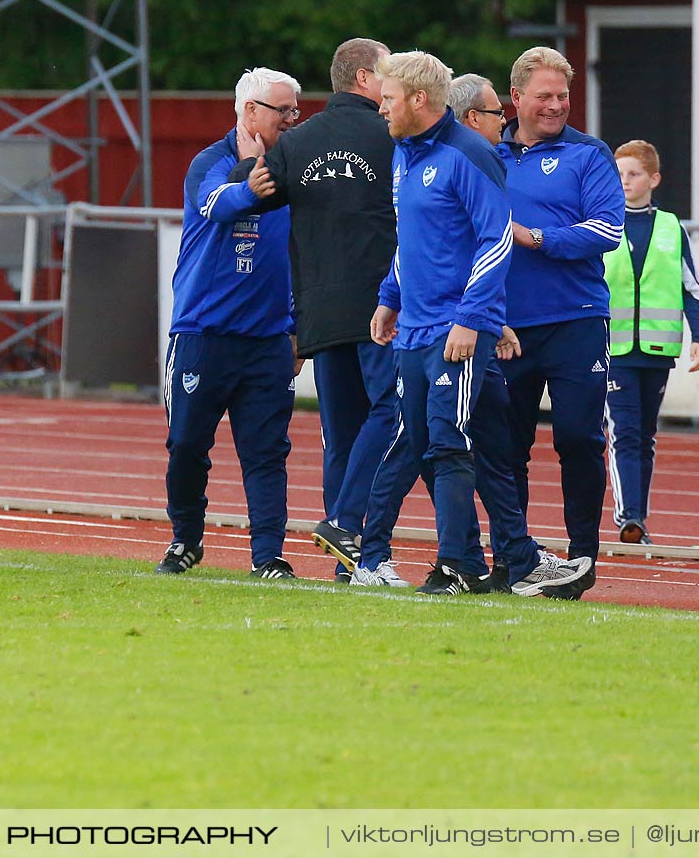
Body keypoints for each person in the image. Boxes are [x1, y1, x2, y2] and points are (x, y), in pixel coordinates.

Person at [372, 51, 588, 597]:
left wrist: (472, 319)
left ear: (418, 100)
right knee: (454, 445)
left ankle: (458, 566)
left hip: (455, 328)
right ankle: (518, 556)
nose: (382, 108)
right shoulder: (401, 153)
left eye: (389, 98)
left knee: (447, 444)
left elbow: (494, 240)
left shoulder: (469, 153)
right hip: (416, 326)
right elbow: (410, 239)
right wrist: (390, 296)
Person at [221, 39, 398, 578]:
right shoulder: (393, 135)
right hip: (381, 307)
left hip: (321, 310)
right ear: (366, 78)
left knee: (341, 432)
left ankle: (350, 563)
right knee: (393, 415)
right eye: (386, 74)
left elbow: (248, 190)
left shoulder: (301, 141)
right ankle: (355, 534)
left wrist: (246, 171)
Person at [158, 67, 301, 579]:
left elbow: (302, 250)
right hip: (202, 333)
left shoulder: (291, 167)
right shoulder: (209, 162)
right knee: (187, 445)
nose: (291, 119)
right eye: (281, 110)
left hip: (266, 339)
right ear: (248, 111)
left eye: (294, 110)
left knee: (266, 453)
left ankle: (268, 557)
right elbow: (215, 204)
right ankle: (185, 540)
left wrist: (297, 326)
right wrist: (248, 178)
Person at [495, 47, 625, 586]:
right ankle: (517, 557)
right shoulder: (487, 154)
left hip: (576, 318)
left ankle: (582, 555)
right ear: (516, 98)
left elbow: (607, 230)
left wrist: (539, 238)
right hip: (506, 325)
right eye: (544, 95)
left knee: (577, 437)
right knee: (507, 445)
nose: (556, 106)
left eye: (563, 96)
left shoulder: (589, 154)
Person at [603, 140, 699, 544]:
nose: (625, 181)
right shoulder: (603, 222)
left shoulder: (671, 228)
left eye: (633, 174)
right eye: (619, 174)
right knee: (625, 432)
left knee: (645, 435)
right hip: (614, 350)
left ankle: (639, 517)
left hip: (657, 350)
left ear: (654, 179)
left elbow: (691, 288)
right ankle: (629, 517)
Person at [450, 73, 507, 147]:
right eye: (498, 113)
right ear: (474, 118)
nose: (504, 121)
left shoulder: (439, 154)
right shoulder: (474, 157)